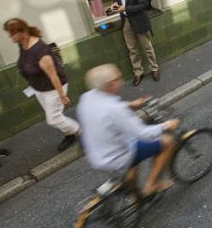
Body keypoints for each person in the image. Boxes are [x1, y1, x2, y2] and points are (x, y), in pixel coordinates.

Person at [77, 64, 180, 197]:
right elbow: (143, 133)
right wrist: (166, 125)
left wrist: (130, 104)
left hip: (95, 154)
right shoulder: (115, 110)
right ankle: (151, 185)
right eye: (118, 78)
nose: (122, 80)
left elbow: (104, 107)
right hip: (115, 157)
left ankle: (134, 195)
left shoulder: (87, 97)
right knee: (167, 142)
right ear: (110, 85)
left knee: (134, 149)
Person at [4, 18, 80, 152]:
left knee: (53, 119)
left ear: (22, 32)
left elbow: (53, 76)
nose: (10, 38)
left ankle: (81, 132)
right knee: (56, 115)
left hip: (54, 88)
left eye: (12, 34)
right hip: (39, 88)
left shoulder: (40, 51)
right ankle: (69, 135)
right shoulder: (22, 44)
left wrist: (62, 96)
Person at [111, 0, 159, 87]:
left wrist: (126, 8)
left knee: (147, 47)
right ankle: (138, 72)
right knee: (132, 49)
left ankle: (154, 68)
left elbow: (144, 4)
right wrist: (116, 4)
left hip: (139, 20)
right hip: (126, 21)